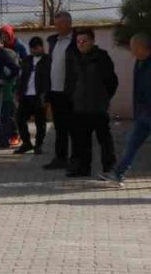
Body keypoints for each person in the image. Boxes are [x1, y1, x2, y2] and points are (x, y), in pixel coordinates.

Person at [65, 28, 118, 178]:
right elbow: (70, 82)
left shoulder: (102, 57)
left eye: (84, 41)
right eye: (78, 42)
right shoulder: (74, 58)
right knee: (82, 141)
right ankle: (83, 168)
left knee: (105, 140)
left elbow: (112, 82)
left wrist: (105, 97)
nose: (81, 44)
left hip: (99, 107)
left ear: (92, 41)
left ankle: (109, 168)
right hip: (80, 107)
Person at [101, 33, 151, 186]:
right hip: (142, 113)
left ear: (144, 48)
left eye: (134, 48)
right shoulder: (139, 62)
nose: (132, 51)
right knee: (131, 143)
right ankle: (118, 174)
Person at [42, 12, 80, 171]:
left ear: (69, 24)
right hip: (55, 92)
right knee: (60, 128)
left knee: (75, 128)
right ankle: (60, 158)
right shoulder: (53, 42)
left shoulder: (77, 41)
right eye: (55, 24)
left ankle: (77, 159)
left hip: (71, 93)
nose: (57, 27)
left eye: (60, 24)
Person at [14, 37, 49, 155]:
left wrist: (47, 95)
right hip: (26, 95)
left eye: (36, 48)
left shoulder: (47, 60)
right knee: (19, 119)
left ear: (42, 47)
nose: (34, 51)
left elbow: (49, 79)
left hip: (39, 96)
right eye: (32, 48)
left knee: (40, 123)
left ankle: (38, 145)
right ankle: (26, 143)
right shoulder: (27, 60)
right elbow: (21, 77)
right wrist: (18, 92)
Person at [0, 25, 29, 149]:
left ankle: (16, 135)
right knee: (5, 110)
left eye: (6, 35)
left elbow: (27, 61)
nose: (4, 37)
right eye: (2, 35)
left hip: (17, 79)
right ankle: (5, 136)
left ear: (10, 34)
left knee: (13, 109)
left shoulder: (19, 45)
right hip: (3, 80)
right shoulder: (0, 46)